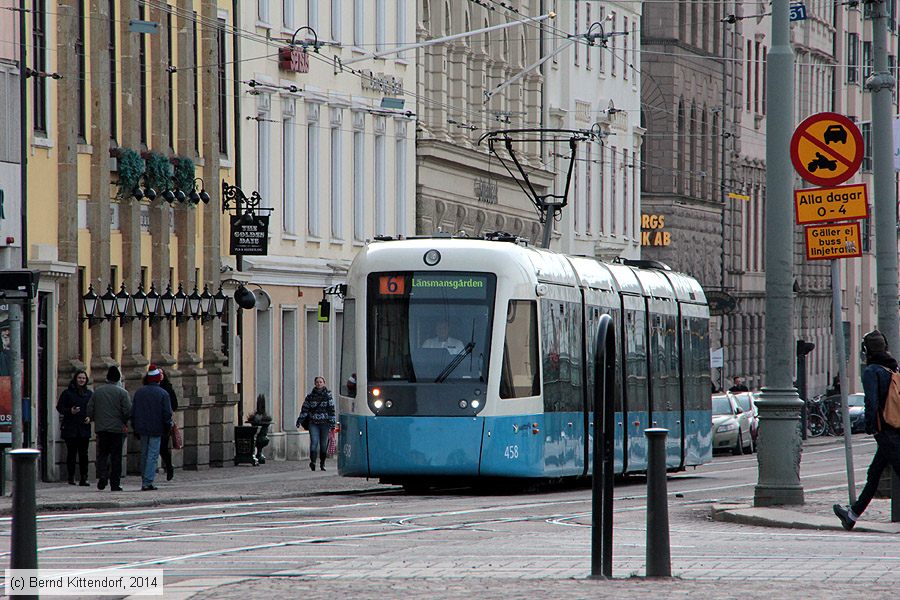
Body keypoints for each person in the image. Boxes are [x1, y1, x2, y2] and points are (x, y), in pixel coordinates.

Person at [833, 330, 900, 530]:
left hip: (886, 430)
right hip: (895, 427)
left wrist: (871, 427)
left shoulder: (872, 371)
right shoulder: (892, 367)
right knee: (874, 473)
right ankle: (852, 514)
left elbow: (871, 401)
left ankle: (852, 514)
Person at [87, 365, 131, 492]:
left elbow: (90, 409)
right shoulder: (122, 393)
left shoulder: (98, 391)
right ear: (118, 379)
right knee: (116, 456)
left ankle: (102, 475)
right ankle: (115, 483)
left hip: (101, 428)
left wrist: (95, 419)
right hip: (117, 429)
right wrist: (124, 422)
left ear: (107, 378)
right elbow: (127, 411)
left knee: (103, 454)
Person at [131, 364, 174, 491]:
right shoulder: (163, 393)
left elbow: (134, 411)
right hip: (156, 428)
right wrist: (168, 426)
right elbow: (167, 413)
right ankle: (148, 481)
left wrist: (135, 426)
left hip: (142, 427)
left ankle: (144, 477)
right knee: (153, 454)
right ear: (157, 379)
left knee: (144, 453)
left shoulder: (139, 392)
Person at [56, 370, 93, 486]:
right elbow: (59, 407)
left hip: (84, 427)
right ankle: (71, 477)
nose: (81, 380)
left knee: (84, 454)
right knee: (71, 453)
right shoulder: (67, 393)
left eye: (83, 378)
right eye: (79, 378)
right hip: (70, 427)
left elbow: (93, 408)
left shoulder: (89, 394)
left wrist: (90, 417)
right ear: (75, 379)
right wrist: (70, 411)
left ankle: (84, 477)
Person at [297, 376, 336, 472]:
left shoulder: (328, 396)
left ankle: (322, 463)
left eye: (321, 382)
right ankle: (313, 462)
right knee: (314, 442)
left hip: (325, 423)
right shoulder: (310, 396)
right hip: (313, 423)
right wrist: (300, 420)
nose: (319, 383)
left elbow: (331, 410)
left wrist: (332, 424)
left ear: (324, 383)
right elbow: (305, 409)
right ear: (315, 384)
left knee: (323, 444)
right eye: (317, 382)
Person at [158, 368, 179, 481]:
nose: (160, 376)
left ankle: (169, 467)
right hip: (155, 422)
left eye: (161, 374)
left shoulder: (167, 388)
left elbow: (175, 404)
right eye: (158, 374)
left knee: (163, 448)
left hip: (164, 423)